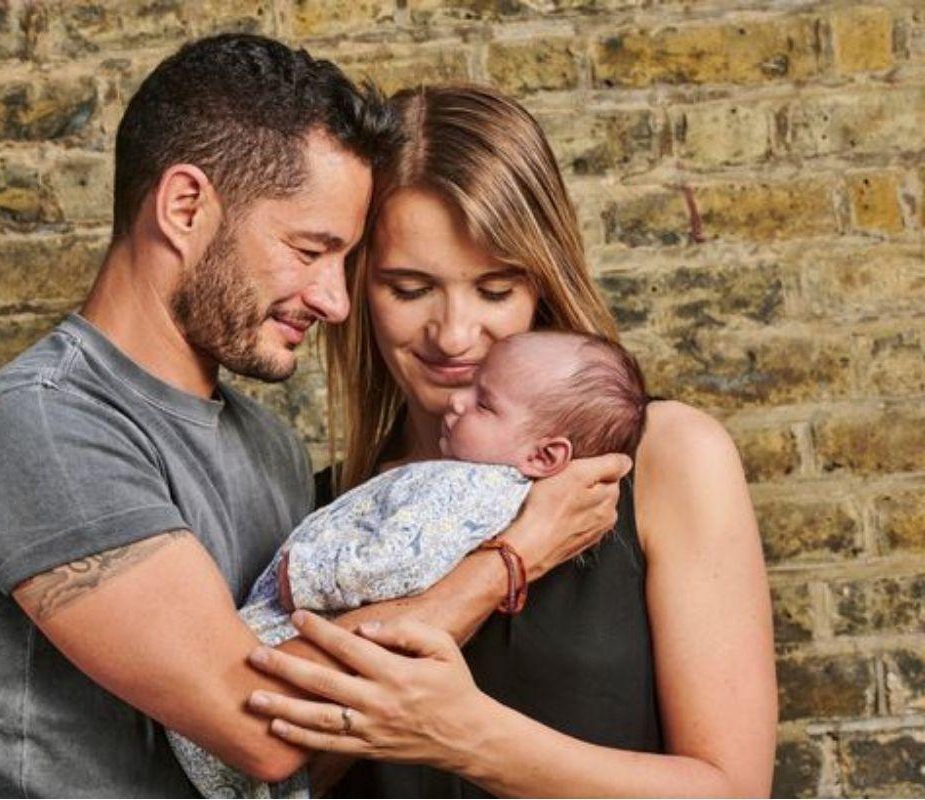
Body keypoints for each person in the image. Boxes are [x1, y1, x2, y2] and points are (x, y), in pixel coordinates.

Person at [0, 36, 629, 797]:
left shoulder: (274, 451)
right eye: (310, 250)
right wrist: (511, 557)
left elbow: (312, 761)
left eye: (344, 261)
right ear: (185, 208)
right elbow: (264, 732)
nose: (336, 301)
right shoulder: (38, 429)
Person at [243, 84, 778, 797]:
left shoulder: (669, 458)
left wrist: (470, 739)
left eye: (495, 290)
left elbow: (733, 791)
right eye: (409, 289)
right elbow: (261, 767)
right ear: (355, 286)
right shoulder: (323, 513)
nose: (454, 335)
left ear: (541, 282)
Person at [169, 330, 648, 797]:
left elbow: (401, 561)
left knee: (223, 714)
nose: (456, 401)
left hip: (294, 632)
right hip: (292, 692)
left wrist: (308, 576)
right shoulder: (463, 478)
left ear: (544, 455)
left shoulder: (474, 488)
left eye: (484, 404)